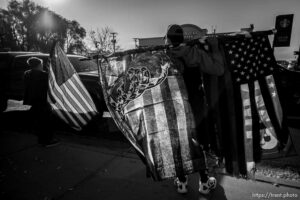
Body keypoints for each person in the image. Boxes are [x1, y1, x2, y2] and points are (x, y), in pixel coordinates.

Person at [165, 24, 224, 194]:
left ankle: (182, 182)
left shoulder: (163, 56)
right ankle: (204, 183)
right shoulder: (194, 53)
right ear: (182, 38)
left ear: (167, 39)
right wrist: (214, 48)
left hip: (174, 108)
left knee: (179, 144)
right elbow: (218, 70)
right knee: (200, 143)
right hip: (196, 106)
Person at [23, 57, 59, 147]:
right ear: (39, 65)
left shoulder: (27, 74)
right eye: (41, 64)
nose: (42, 66)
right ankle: (46, 141)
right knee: (46, 121)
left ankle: (41, 139)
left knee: (39, 121)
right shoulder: (44, 75)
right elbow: (50, 87)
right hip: (42, 101)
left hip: (32, 101)